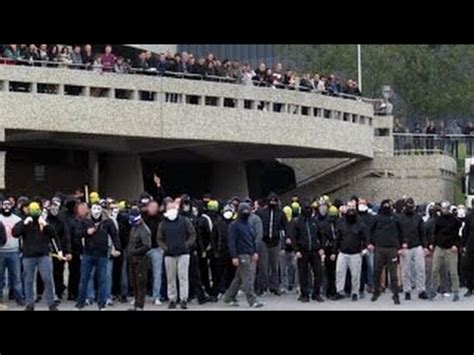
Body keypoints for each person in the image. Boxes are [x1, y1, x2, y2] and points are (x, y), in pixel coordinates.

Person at [12, 201, 62, 311]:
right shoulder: (25, 221)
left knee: (47, 278)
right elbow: (15, 233)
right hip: (28, 255)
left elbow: (54, 235)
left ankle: (51, 303)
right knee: (29, 280)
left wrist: (45, 225)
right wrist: (24, 223)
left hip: (43, 254)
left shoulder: (43, 221)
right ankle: (30, 304)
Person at [75, 203, 121, 310]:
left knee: (103, 280)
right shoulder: (85, 221)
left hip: (102, 254)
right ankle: (80, 303)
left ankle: (102, 304)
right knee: (84, 278)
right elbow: (77, 234)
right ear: (91, 210)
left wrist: (117, 248)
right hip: (88, 253)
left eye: (98, 209)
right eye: (94, 208)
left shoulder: (107, 221)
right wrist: (86, 232)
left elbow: (114, 235)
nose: (96, 211)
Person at [222, 203, 263, 308]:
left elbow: (252, 239)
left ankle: (229, 297)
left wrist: (254, 252)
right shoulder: (234, 225)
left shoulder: (248, 224)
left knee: (239, 278)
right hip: (241, 254)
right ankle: (252, 300)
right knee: (247, 278)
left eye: (247, 211)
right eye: (244, 211)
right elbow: (231, 242)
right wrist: (234, 256)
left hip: (249, 253)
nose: (246, 213)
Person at [157, 199, 196, 310]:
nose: (171, 210)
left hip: (183, 253)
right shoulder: (163, 224)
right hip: (169, 255)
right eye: (169, 208)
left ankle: (184, 299)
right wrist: (165, 248)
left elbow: (192, 234)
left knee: (183, 277)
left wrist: (186, 245)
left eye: (173, 208)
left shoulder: (185, 220)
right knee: (171, 278)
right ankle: (172, 299)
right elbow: (159, 238)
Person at [290, 199, 325, 302]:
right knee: (303, 274)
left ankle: (316, 293)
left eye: (309, 208)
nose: (308, 210)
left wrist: (321, 247)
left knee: (319, 272)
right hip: (302, 251)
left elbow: (321, 235)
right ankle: (304, 294)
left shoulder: (314, 221)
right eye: (306, 208)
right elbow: (293, 237)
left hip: (314, 250)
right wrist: (296, 250)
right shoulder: (297, 222)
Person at [369, 199, 403, 305]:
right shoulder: (376, 218)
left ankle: (395, 294)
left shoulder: (395, 218)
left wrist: (402, 245)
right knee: (376, 271)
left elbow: (401, 232)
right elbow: (370, 231)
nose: (387, 208)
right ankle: (376, 291)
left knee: (393, 274)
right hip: (379, 248)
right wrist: (370, 243)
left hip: (392, 249)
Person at [333, 203, 368, 301]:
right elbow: (338, 239)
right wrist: (334, 252)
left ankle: (355, 292)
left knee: (355, 274)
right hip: (343, 253)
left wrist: (364, 249)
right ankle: (339, 291)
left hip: (356, 253)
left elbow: (365, 238)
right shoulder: (341, 224)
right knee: (339, 272)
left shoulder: (360, 225)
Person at [429, 201, 461, 302]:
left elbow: (458, 234)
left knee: (453, 272)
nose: (445, 210)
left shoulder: (455, 220)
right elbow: (435, 232)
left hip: (451, 248)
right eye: (443, 208)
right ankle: (433, 290)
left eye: (446, 208)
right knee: (434, 269)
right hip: (439, 247)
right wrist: (432, 244)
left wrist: (456, 245)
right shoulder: (438, 220)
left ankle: (456, 292)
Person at [256, 192, 287, 296]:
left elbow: (285, 228)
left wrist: (285, 242)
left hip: (276, 241)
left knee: (275, 266)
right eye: (271, 200)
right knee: (263, 267)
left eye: (274, 200)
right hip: (264, 241)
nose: (273, 202)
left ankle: (275, 287)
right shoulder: (262, 212)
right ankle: (262, 287)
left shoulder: (281, 213)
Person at [397, 198, 428, 300]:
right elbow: (397, 234)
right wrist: (399, 247)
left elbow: (422, 232)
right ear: (405, 206)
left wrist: (425, 247)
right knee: (406, 270)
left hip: (417, 245)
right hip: (405, 246)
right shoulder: (400, 218)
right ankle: (407, 290)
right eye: (409, 205)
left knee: (420, 268)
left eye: (412, 205)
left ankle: (421, 290)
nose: (410, 207)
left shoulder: (418, 218)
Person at [46, 197, 72, 300]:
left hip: (59, 250)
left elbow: (66, 236)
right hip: (47, 250)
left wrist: (67, 251)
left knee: (58, 272)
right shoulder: (45, 219)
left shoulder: (62, 220)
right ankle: (45, 293)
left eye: (56, 207)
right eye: (52, 207)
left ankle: (58, 292)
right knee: (46, 273)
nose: (54, 209)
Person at [0, 199, 24, 306]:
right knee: (0, 277)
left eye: (8, 204)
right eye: (4, 204)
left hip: (14, 251)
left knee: (17, 277)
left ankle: (19, 297)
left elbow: (22, 236)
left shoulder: (17, 219)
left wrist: (22, 249)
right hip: (0, 251)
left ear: (12, 206)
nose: (6, 206)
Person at [127, 208, 151, 311]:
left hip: (140, 259)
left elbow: (147, 246)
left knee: (140, 283)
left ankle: (140, 305)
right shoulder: (134, 227)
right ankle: (136, 304)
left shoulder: (144, 229)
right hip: (132, 259)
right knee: (134, 283)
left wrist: (134, 251)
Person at [143, 200, 163, 305]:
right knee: (141, 273)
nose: (153, 209)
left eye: (155, 207)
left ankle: (156, 296)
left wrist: (162, 247)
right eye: (151, 207)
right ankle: (139, 296)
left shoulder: (161, 219)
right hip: (143, 249)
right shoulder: (143, 218)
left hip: (156, 248)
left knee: (157, 274)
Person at [319, 205, 340, 299]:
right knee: (331, 272)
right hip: (331, 249)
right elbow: (335, 238)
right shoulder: (336, 223)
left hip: (328, 249)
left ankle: (328, 291)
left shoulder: (324, 223)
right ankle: (331, 291)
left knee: (328, 272)